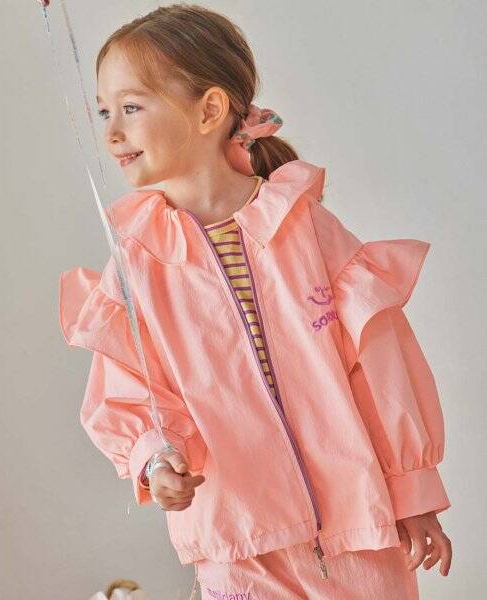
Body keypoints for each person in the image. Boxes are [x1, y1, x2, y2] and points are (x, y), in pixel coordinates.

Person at [58, 4, 452, 598]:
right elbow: (130, 387)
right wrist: (154, 458)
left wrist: (412, 487)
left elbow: (378, 361)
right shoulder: (139, 261)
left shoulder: (301, 226)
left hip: (357, 529)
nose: (111, 132)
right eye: (104, 112)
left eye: (131, 107)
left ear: (209, 110)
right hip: (237, 538)